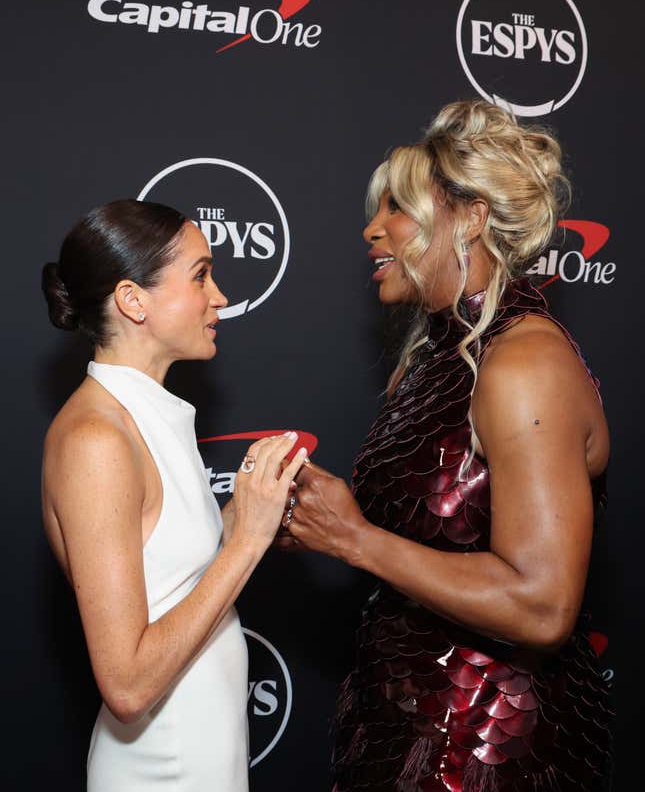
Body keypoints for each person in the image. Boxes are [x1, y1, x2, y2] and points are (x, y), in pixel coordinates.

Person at [280, 101, 613, 791]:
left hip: (491, 744)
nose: (372, 229)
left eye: (396, 208)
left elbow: (542, 605)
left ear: (468, 219)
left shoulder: (523, 365)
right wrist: (318, 523)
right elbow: (430, 545)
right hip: (394, 723)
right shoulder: (427, 360)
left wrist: (354, 540)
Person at [40, 199, 308, 791]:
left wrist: (243, 513)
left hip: (204, 762)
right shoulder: (96, 439)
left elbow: (167, 585)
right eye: (201, 276)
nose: (220, 296)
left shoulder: (147, 415)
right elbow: (129, 684)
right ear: (133, 300)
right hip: (160, 772)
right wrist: (247, 542)